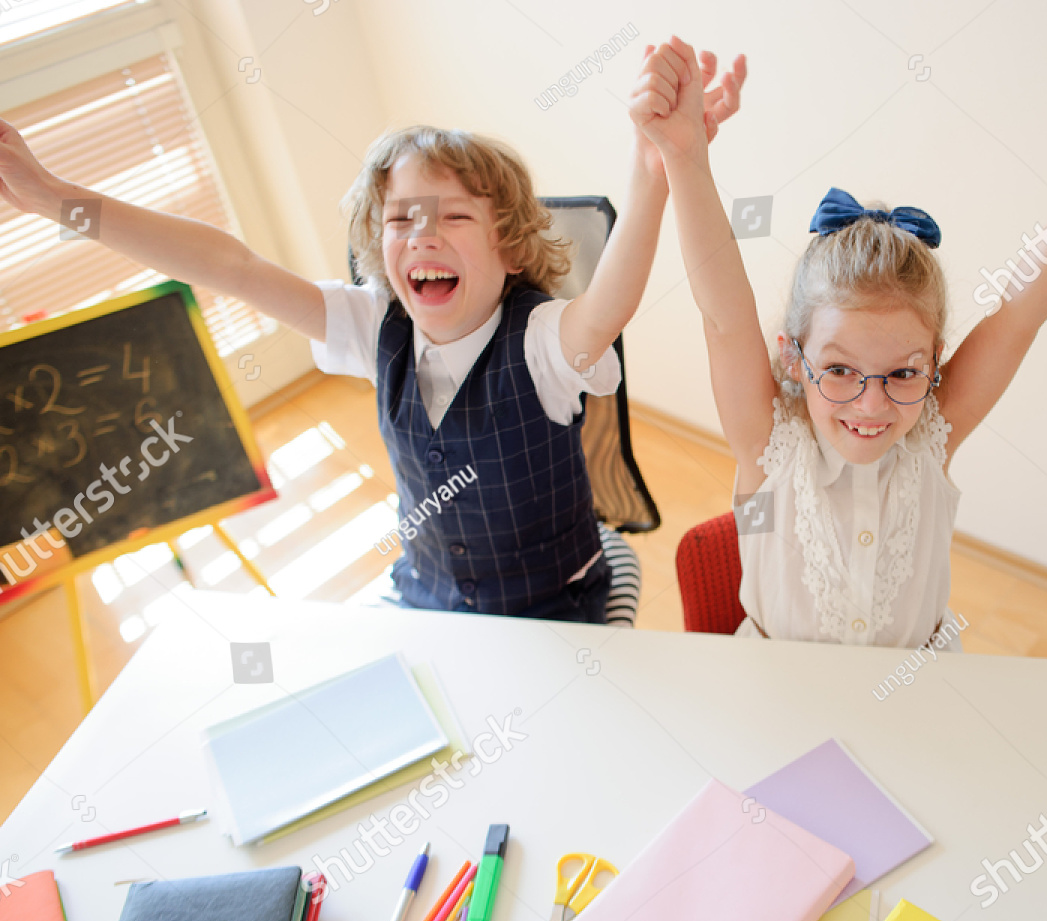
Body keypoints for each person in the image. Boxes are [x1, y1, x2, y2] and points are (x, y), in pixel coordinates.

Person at [0, 44, 746, 624]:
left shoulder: (544, 342)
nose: (422, 234)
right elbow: (227, 264)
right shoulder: (371, 324)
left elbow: (609, 304)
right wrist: (59, 201)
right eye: (400, 219)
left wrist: (654, 165)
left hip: (551, 607)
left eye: (454, 216)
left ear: (511, 246)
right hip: (426, 595)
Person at [634, 38, 1047, 648]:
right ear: (793, 356)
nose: (871, 405)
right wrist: (685, 158)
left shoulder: (932, 434)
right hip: (776, 701)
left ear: (936, 364)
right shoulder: (768, 443)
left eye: (903, 374)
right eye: (839, 370)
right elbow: (724, 318)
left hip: (914, 700)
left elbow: (1020, 313)